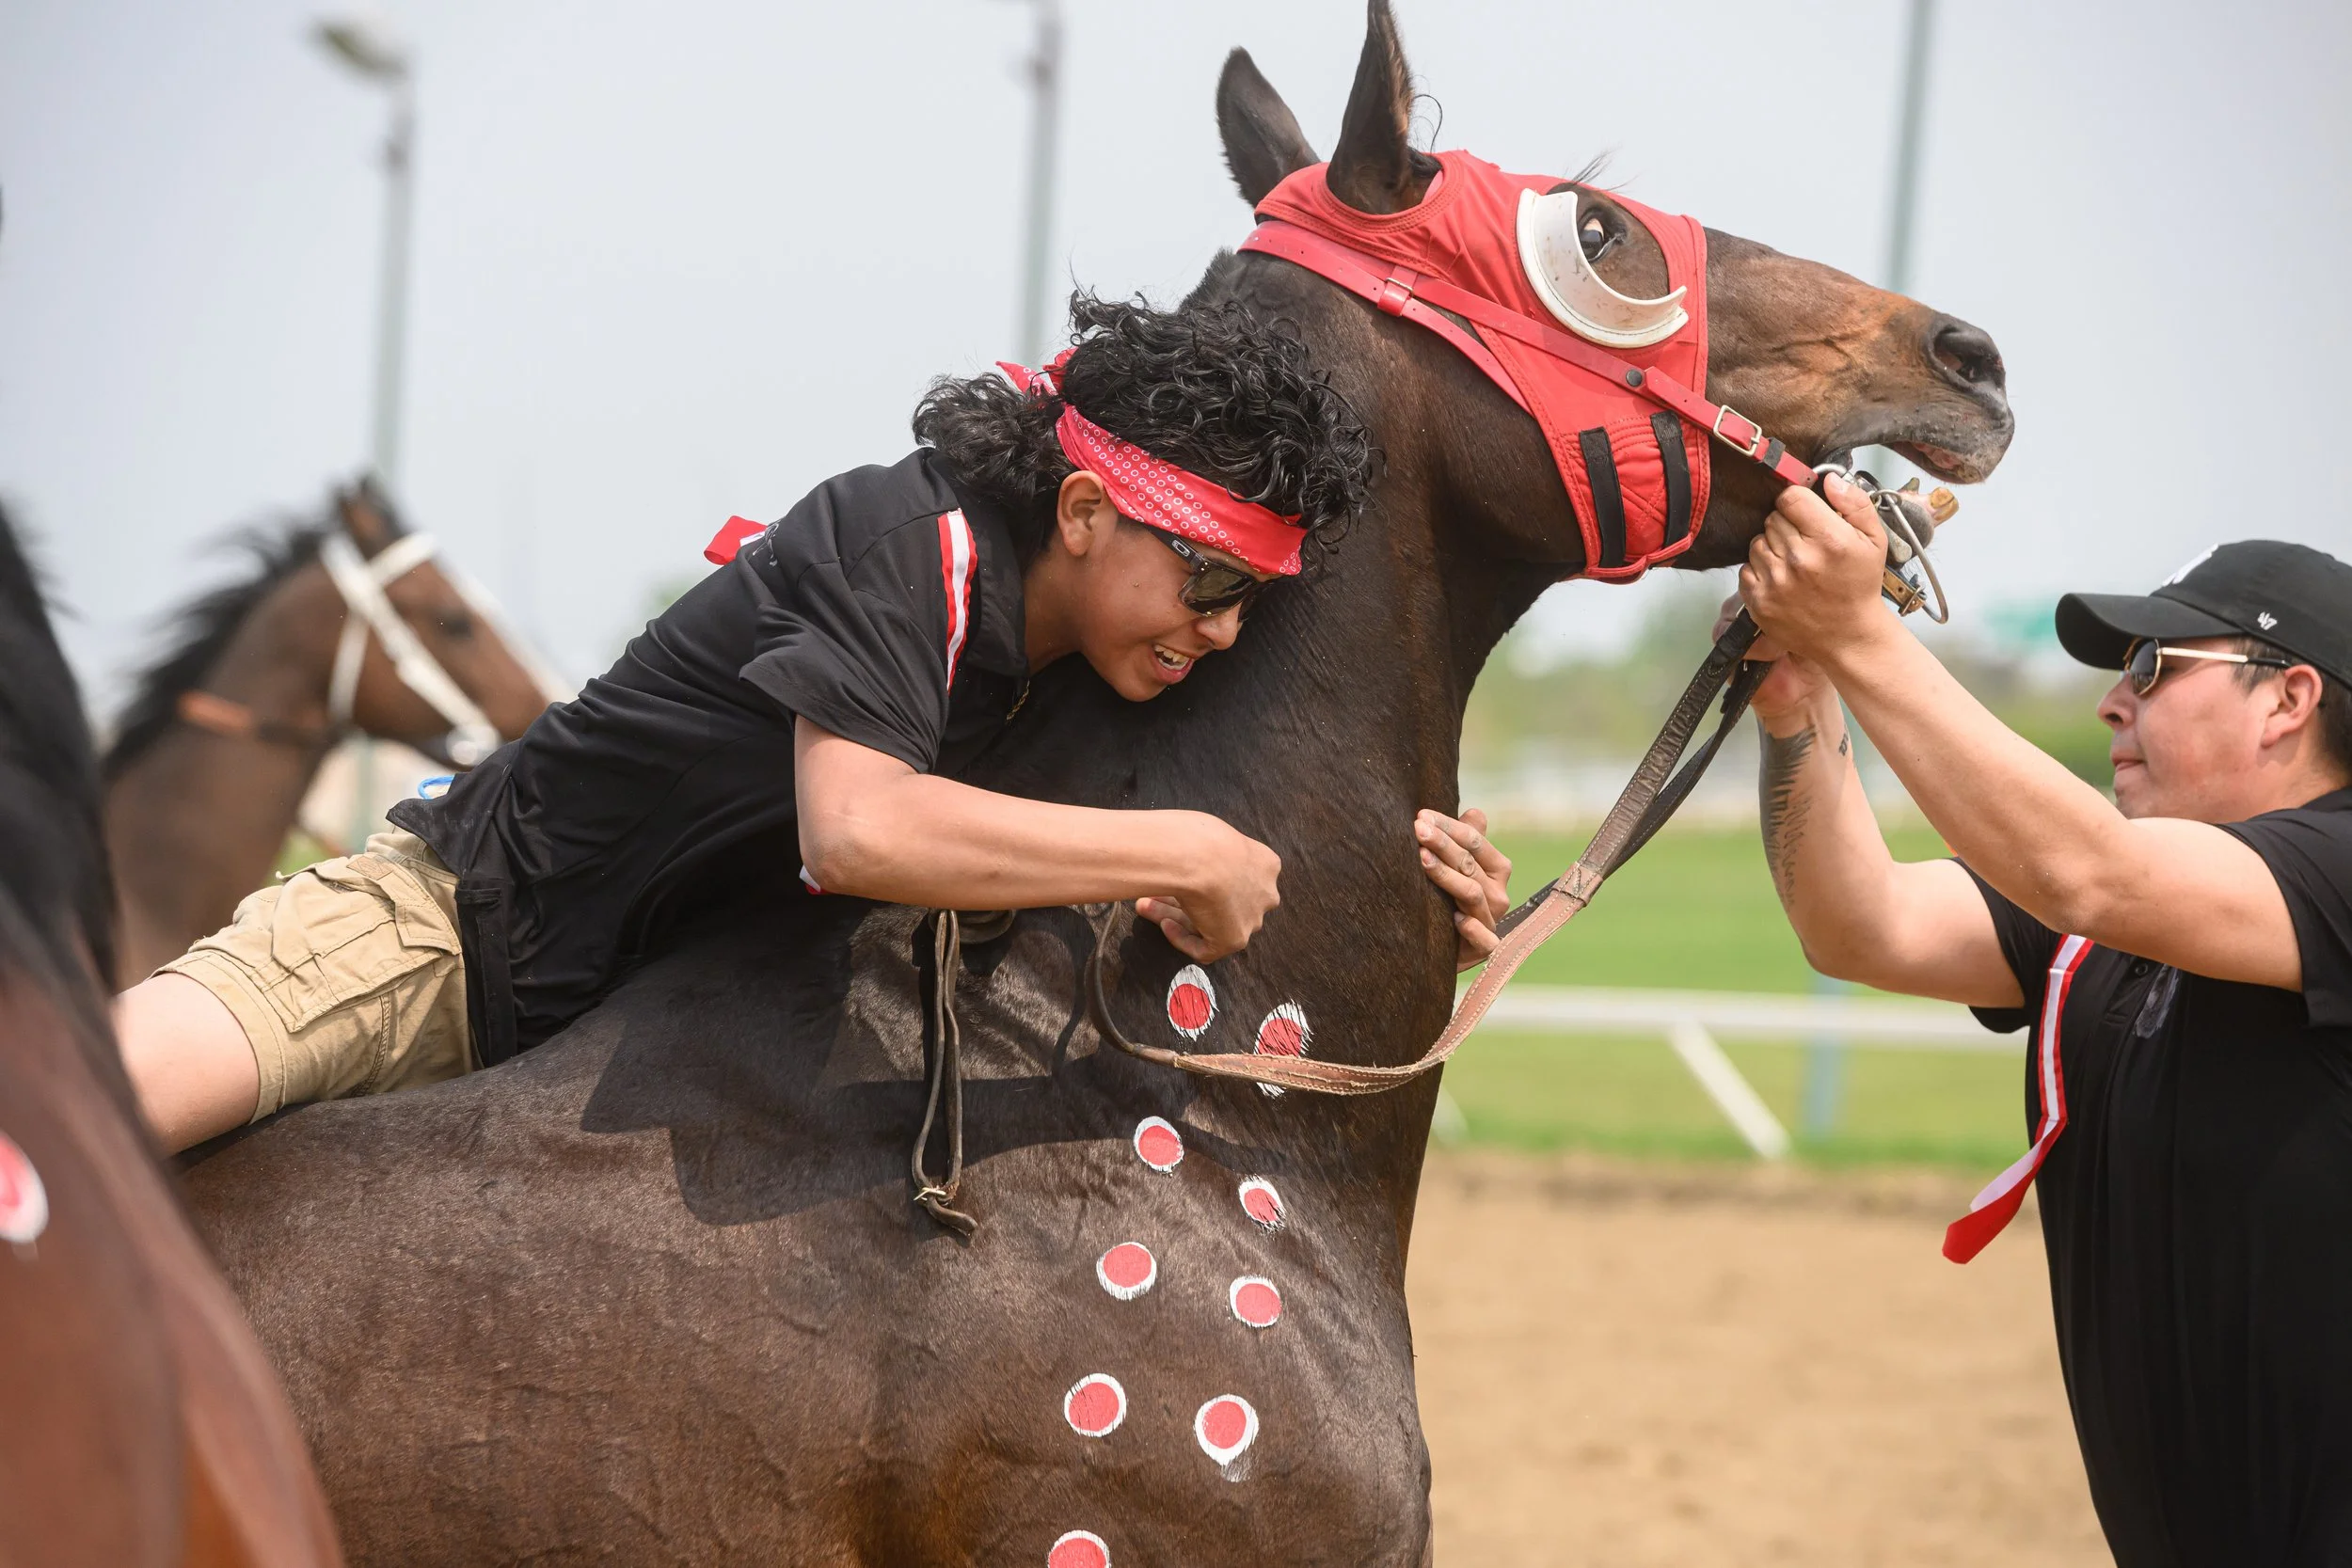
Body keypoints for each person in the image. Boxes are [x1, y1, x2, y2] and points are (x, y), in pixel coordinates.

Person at [119, 292, 1374, 1154]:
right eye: (1210, 582)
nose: (1223, 630)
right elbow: (857, 831)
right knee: (80, 1122)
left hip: (642, 1029)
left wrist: (1432, 881)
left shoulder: (1094, 647)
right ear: (1087, 511)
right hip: (437, 944)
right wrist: (1182, 849)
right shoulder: (908, 543)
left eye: (1250, 602)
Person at [1436, 478, 2352, 1564]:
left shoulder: (2322, 867)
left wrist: (1856, 629)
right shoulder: (2115, 915)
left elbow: (2087, 871)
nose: (2114, 701)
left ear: (2288, 698)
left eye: (2152, 665)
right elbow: (1865, 924)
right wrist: (1802, 700)